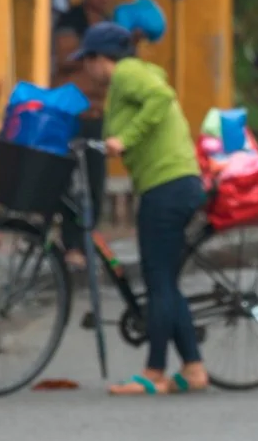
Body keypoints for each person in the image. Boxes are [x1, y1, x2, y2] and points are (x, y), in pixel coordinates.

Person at [70, 23, 210, 396]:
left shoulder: (128, 73)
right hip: (173, 183)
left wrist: (124, 139)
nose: (86, 69)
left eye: (87, 60)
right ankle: (193, 368)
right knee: (165, 279)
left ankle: (154, 372)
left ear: (102, 59)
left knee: (158, 279)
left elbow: (161, 98)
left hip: (166, 186)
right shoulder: (129, 80)